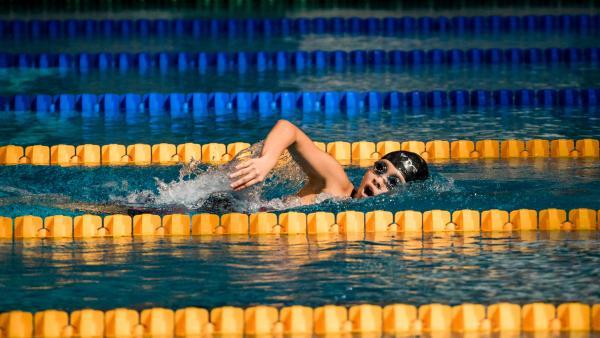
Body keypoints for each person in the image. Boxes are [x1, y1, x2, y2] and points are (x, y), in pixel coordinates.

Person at [229, 120, 429, 205]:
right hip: (231, 207)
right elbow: (288, 129)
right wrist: (267, 160)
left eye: (392, 182)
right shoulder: (336, 182)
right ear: (370, 167)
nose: (379, 180)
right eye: (380, 169)